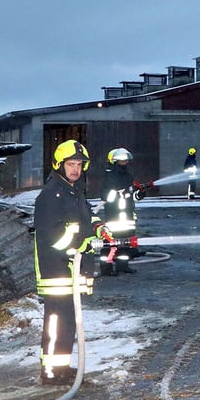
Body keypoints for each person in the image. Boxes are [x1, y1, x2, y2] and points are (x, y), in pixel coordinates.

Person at [34, 140, 113, 386]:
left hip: (71, 269)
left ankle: (62, 368)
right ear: (59, 164)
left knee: (68, 321)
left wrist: (99, 227)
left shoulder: (73, 191)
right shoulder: (50, 195)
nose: (76, 170)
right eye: (71, 164)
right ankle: (50, 372)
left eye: (79, 164)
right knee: (57, 322)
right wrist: (83, 244)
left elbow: (86, 217)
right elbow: (53, 238)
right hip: (56, 271)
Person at [99, 147, 143, 275]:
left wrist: (140, 194)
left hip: (127, 216)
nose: (124, 163)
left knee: (126, 242)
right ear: (114, 161)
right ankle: (106, 268)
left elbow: (132, 196)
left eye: (125, 161)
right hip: (114, 216)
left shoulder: (128, 176)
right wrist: (118, 193)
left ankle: (122, 265)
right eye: (121, 161)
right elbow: (105, 196)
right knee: (109, 243)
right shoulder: (109, 176)